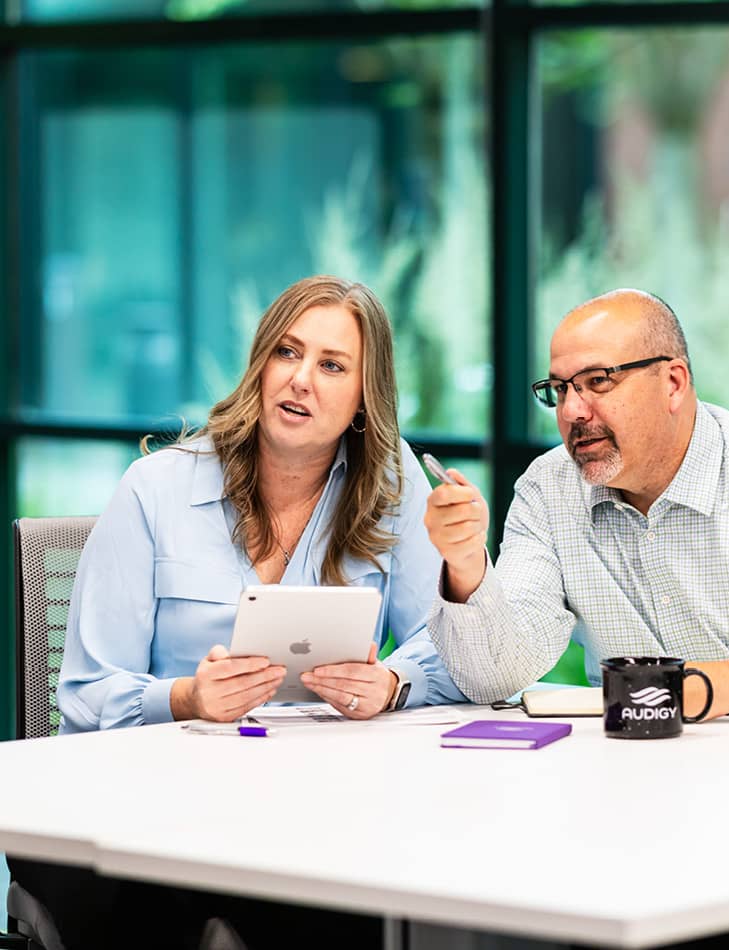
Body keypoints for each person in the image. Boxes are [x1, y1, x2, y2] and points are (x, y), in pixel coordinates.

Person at [11, 275, 466, 949]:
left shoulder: (389, 486)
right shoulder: (156, 489)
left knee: (376, 890)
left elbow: (454, 651)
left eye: (332, 365)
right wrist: (187, 698)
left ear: (364, 402)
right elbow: (83, 695)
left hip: (309, 809)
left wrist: (395, 682)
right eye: (287, 352)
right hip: (142, 806)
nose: (301, 379)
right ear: (260, 366)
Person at [423, 288, 729, 721]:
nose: (572, 411)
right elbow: (495, 678)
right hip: (627, 781)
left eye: (597, 381)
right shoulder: (549, 490)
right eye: (560, 390)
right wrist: (467, 566)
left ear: (673, 383)